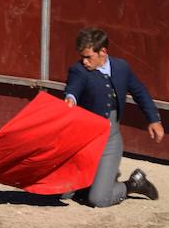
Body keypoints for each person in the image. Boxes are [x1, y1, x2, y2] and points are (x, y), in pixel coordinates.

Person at [64, 27, 163, 208]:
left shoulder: (121, 67)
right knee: (64, 192)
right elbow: (73, 88)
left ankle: (133, 184)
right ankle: (103, 178)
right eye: (82, 57)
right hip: (85, 141)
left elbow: (140, 92)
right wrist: (71, 98)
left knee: (98, 199)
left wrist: (154, 119)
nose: (84, 62)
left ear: (103, 52)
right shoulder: (79, 71)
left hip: (110, 140)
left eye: (88, 57)